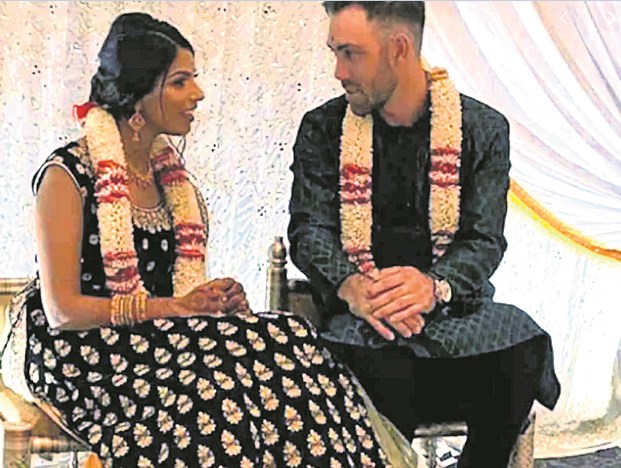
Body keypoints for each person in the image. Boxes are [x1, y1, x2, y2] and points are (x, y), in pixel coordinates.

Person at [1, 12, 418, 468]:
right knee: (216, 391)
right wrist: (177, 309)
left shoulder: (170, 180)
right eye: (180, 82)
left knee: (288, 337)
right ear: (137, 95)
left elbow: (172, 291)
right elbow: (63, 311)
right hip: (78, 352)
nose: (197, 94)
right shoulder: (67, 174)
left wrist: (212, 301)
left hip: (155, 339)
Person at [288, 2, 561, 467]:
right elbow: (308, 230)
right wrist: (353, 287)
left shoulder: (482, 129)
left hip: (453, 321)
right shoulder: (323, 129)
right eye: (336, 52)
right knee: (371, 364)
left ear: (399, 48)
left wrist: (434, 287)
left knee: (522, 346)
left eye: (351, 54)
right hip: (364, 327)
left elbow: (483, 240)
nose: (339, 72)